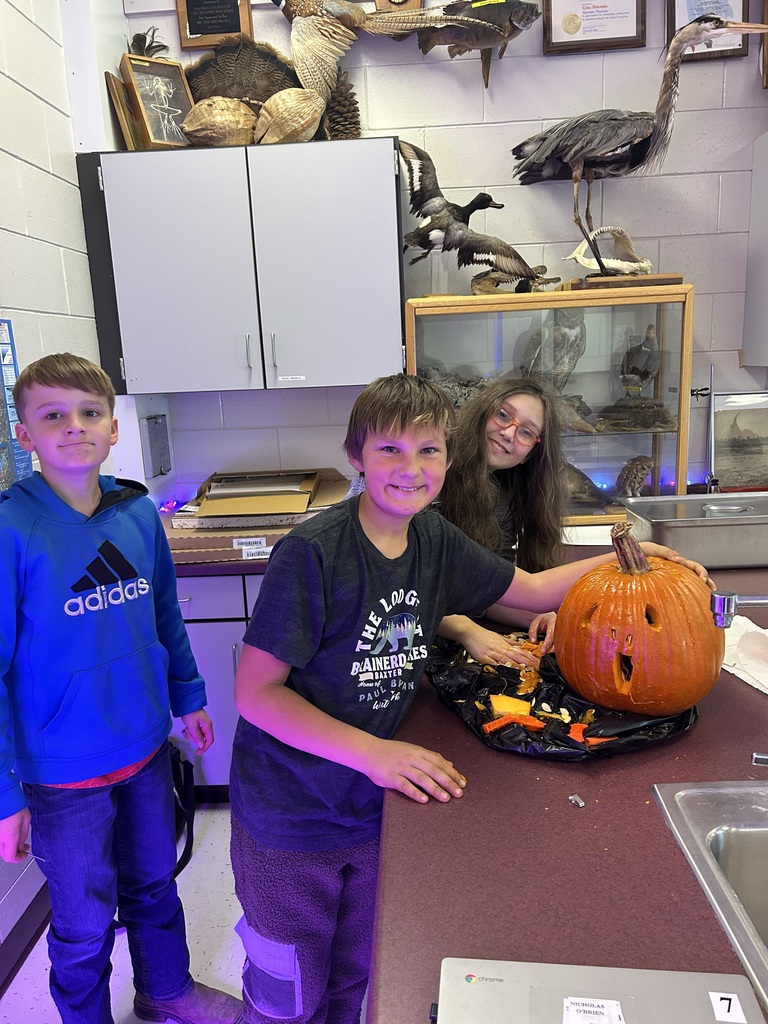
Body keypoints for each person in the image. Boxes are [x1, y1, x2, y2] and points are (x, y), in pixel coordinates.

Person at [229, 373, 709, 1024]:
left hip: (371, 812)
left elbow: (534, 589)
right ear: (356, 457)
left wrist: (638, 557)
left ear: (448, 459)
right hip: (292, 817)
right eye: (389, 451)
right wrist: (374, 752)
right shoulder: (312, 555)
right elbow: (257, 694)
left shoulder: (432, 540)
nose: (410, 468)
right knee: (289, 992)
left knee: (351, 979)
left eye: (427, 450)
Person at [0, 354, 241, 1024]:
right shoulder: (11, 530)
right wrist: (4, 795)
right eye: (53, 415)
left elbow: (164, 610)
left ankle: (166, 991)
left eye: (88, 413)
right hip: (60, 775)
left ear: (112, 428)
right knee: (82, 920)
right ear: (26, 436)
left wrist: (188, 696)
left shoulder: (136, 511)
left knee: (155, 886)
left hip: (141, 747)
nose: (73, 427)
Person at [436, 375, 566, 667]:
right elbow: (405, 587)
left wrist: (536, 614)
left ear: (531, 452)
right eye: (503, 414)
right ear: (484, 411)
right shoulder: (431, 472)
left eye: (526, 433)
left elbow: (488, 591)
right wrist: (466, 630)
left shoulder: (504, 495)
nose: (508, 433)